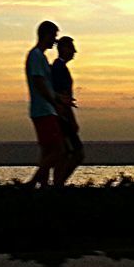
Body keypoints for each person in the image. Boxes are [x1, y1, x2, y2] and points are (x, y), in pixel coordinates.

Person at [25, 20, 67, 188]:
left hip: (44, 109)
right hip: (44, 110)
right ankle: (32, 182)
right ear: (46, 35)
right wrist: (55, 101)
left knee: (48, 151)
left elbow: (45, 85)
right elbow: (39, 82)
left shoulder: (39, 57)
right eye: (54, 37)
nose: (54, 42)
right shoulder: (36, 56)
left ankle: (42, 185)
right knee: (58, 150)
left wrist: (58, 99)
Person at [51, 36, 83, 185]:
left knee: (64, 154)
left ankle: (57, 184)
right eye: (71, 48)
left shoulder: (58, 67)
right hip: (62, 117)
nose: (74, 52)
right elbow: (63, 97)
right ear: (63, 49)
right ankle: (58, 184)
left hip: (61, 116)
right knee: (76, 153)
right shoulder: (59, 68)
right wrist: (72, 120)